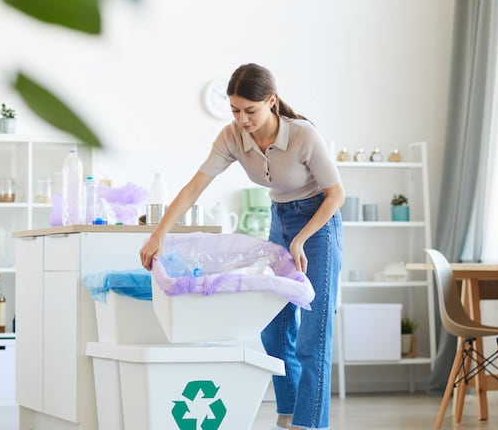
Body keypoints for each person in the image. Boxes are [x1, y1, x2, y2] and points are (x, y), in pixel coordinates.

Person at [139, 63, 344, 430]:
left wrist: (301, 238)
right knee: (274, 328)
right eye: (235, 110)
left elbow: (336, 195)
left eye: (250, 110)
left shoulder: (303, 136)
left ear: (271, 101)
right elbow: (193, 188)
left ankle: (310, 424)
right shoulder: (232, 137)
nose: (242, 119)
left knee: (314, 332)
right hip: (280, 218)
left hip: (318, 225)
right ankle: (290, 412)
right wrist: (159, 235)